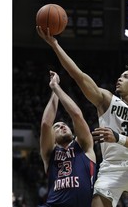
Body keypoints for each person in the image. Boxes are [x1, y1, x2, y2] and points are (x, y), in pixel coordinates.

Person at [37, 27, 128, 207]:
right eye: (120, 76)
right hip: (111, 168)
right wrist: (55, 45)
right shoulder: (106, 100)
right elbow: (78, 76)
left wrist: (117, 138)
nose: (120, 78)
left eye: (126, 77)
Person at [40, 70, 96, 207]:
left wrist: (56, 88)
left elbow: (76, 114)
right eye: (57, 127)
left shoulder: (83, 145)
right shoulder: (49, 154)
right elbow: (46, 124)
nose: (63, 126)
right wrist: (54, 90)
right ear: (52, 138)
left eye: (65, 125)